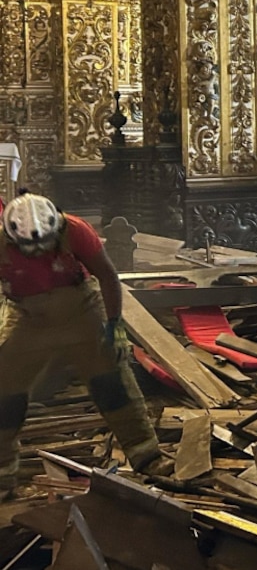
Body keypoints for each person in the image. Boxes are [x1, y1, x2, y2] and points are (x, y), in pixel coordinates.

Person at [0, 193, 171, 499]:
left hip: (81, 310)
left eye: (44, 245)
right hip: (29, 317)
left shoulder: (75, 230)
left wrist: (115, 324)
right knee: (4, 393)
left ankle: (147, 456)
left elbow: (107, 275)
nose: (38, 253)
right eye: (30, 249)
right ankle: (2, 476)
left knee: (111, 381)